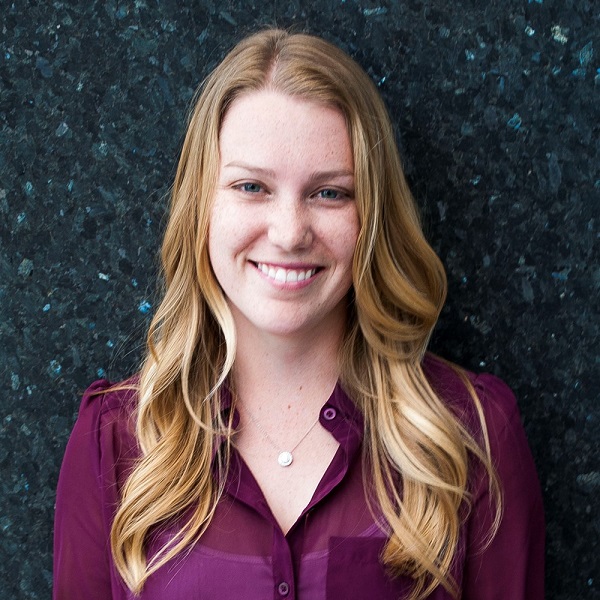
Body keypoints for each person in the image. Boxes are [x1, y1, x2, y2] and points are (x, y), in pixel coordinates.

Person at [53, 28, 544, 599]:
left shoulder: (472, 436)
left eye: (329, 193)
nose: (289, 233)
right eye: (251, 186)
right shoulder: (114, 442)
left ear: (372, 216)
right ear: (202, 207)